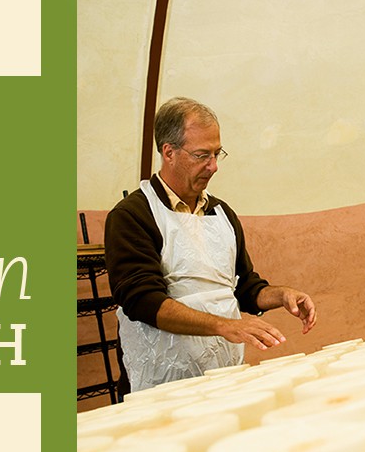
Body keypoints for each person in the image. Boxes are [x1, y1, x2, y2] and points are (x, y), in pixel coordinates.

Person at [105, 97, 317, 392]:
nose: (214, 166)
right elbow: (141, 300)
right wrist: (224, 324)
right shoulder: (133, 215)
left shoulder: (221, 213)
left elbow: (244, 287)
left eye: (218, 154)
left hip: (224, 372)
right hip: (162, 381)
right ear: (169, 152)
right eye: (202, 155)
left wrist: (281, 295)